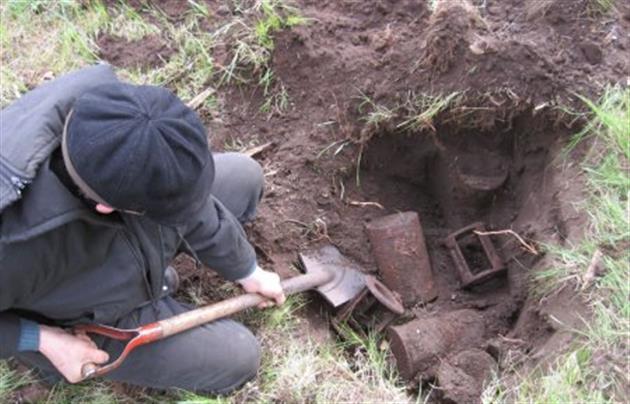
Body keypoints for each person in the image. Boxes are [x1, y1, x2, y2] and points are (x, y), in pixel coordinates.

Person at [0, 81, 285, 393]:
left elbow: (191, 205)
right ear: (106, 206)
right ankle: (48, 363)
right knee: (239, 355)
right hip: (83, 311)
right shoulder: (14, 248)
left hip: (128, 237)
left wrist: (247, 270)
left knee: (245, 177)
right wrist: (41, 340)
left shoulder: (103, 109)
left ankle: (154, 275)